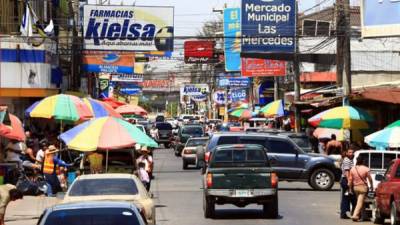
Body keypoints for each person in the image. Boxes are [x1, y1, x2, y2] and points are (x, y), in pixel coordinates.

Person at [348, 156, 373, 222]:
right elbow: (370, 179)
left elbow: (350, 180)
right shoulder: (366, 169)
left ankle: (364, 216)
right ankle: (355, 215)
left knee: (361, 202)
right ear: (363, 161)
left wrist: (350, 189)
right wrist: (372, 186)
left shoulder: (352, 169)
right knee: (360, 202)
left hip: (355, 187)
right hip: (363, 187)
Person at [340, 147, 356, 219]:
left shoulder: (350, 160)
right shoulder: (347, 160)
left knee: (348, 197)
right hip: (346, 180)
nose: (351, 153)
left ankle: (346, 213)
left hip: (347, 180)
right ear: (346, 153)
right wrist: (349, 182)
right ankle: (344, 213)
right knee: (348, 197)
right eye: (349, 152)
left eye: (352, 152)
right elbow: (347, 172)